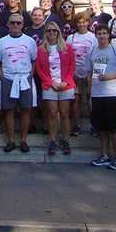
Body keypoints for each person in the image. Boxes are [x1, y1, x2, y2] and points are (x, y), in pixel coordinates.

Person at [0, 13, 38, 153]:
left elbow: (34, 59)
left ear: (23, 24)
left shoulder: (30, 41)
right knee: (9, 111)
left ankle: (23, 140)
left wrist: (30, 75)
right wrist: (2, 77)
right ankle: (11, 140)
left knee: (26, 110)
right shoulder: (2, 42)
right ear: (8, 25)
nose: (16, 25)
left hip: (25, 79)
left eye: (18, 23)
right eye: (13, 23)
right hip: (8, 79)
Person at [89, 25, 116, 170]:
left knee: (114, 127)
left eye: (104, 33)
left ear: (108, 35)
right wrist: (90, 94)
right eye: (99, 33)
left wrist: (110, 76)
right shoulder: (92, 51)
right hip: (97, 94)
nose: (101, 36)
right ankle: (104, 155)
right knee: (101, 128)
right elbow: (90, 73)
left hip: (112, 93)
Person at [35, 22, 76, 156]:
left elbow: (72, 66)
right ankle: (52, 140)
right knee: (52, 113)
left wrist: (65, 81)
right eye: (49, 30)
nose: (52, 33)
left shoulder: (67, 47)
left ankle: (65, 140)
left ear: (58, 32)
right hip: (49, 85)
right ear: (45, 33)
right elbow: (39, 69)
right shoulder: (41, 49)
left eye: (54, 30)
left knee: (64, 114)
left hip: (66, 85)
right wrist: (50, 82)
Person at [66, 12, 98, 136]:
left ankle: (94, 125)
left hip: (90, 73)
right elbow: (68, 57)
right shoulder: (71, 38)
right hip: (75, 73)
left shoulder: (93, 38)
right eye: (79, 22)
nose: (82, 24)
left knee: (91, 100)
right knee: (76, 100)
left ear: (88, 22)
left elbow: (96, 55)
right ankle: (77, 125)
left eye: (84, 21)